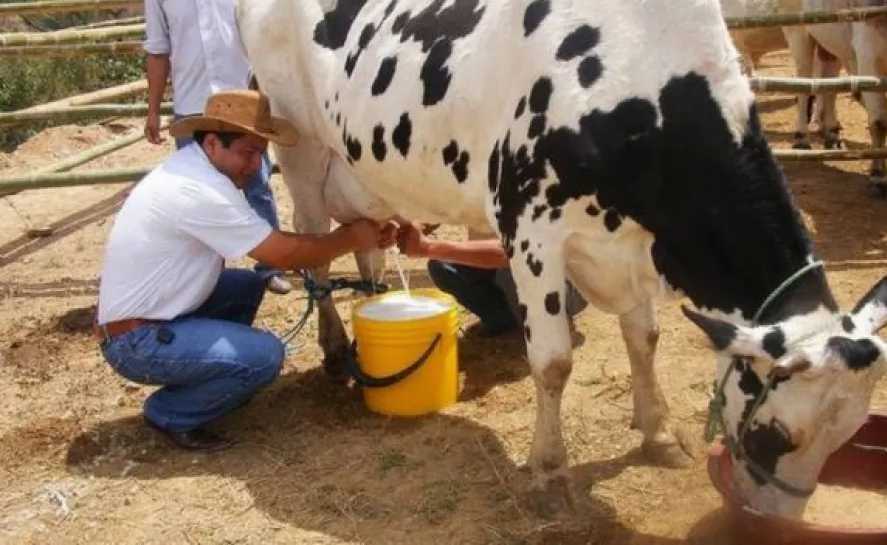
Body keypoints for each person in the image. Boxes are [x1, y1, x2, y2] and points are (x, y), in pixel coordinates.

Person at [95, 90, 396, 451]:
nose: (255, 165)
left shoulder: (195, 170)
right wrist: (351, 237)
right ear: (211, 143)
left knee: (245, 286)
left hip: (150, 318)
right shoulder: (197, 190)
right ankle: (172, 411)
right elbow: (281, 253)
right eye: (247, 153)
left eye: (260, 154)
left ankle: (215, 376)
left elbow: (268, 242)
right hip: (135, 342)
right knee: (265, 356)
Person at [142, 0, 292, 294]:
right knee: (196, 192)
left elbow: (261, 27)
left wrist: (265, 88)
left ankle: (269, 265)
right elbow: (158, 50)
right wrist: (153, 109)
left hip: (241, 97)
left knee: (255, 180)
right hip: (192, 105)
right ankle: (207, 276)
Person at [396, 225, 588, 338]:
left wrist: (428, 247)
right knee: (441, 266)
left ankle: (553, 322)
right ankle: (502, 319)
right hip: (495, 263)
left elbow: (511, 252)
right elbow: (437, 209)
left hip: (559, 278)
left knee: (512, 270)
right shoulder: (475, 169)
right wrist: (405, 229)